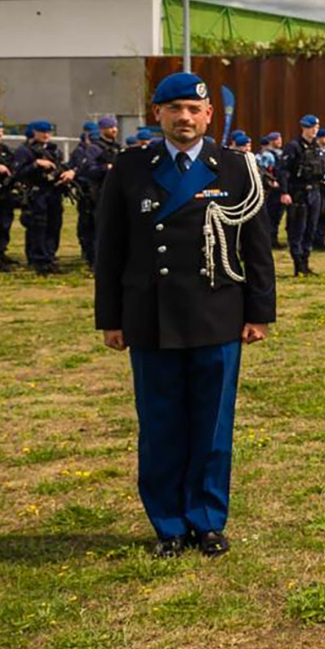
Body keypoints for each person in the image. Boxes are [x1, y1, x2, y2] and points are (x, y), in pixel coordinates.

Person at [95, 72, 275, 558]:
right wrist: (111, 318)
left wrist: (260, 313)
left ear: (209, 115)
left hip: (217, 313)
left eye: (194, 109)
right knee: (160, 427)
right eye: (174, 109)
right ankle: (168, 524)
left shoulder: (235, 168)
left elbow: (257, 248)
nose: (184, 118)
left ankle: (208, 520)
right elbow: (110, 248)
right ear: (158, 115)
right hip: (150, 316)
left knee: (213, 426)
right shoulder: (131, 168)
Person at [11, 120, 75, 274]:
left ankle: (50, 256)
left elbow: (59, 167)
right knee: (38, 226)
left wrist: (69, 173)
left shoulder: (54, 150)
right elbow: (17, 173)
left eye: (48, 132)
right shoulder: (25, 151)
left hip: (53, 192)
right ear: (34, 132)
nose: (46, 135)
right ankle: (39, 259)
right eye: (42, 132)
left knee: (54, 225)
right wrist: (35, 164)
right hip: (37, 192)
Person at [70, 116, 122, 273]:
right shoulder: (95, 148)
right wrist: (105, 168)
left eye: (115, 127)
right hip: (98, 192)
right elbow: (86, 169)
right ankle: (95, 260)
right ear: (102, 129)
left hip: (114, 192)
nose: (114, 130)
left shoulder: (116, 147)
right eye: (110, 127)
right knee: (97, 229)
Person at [279, 116, 325, 276]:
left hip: (314, 191)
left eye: (316, 127)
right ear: (304, 128)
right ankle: (297, 264)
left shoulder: (315, 147)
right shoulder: (293, 147)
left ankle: (305, 262)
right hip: (299, 193)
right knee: (298, 229)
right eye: (311, 127)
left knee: (311, 229)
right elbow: (284, 171)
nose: (314, 130)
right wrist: (284, 192)